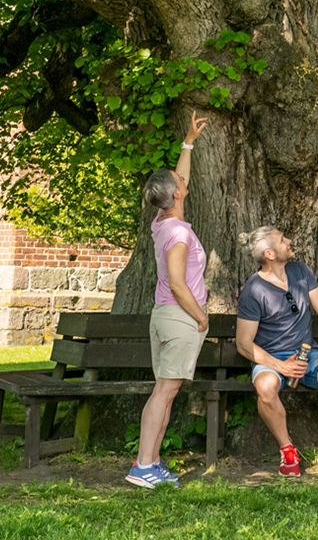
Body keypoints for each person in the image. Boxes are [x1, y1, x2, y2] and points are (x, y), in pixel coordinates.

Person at [235, 226, 318, 478]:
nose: (290, 241)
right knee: (265, 387)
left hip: (308, 356)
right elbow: (243, 344)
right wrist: (281, 366)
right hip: (271, 359)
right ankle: (287, 450)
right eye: (283, 240)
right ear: (270, 254)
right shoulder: (254, 290)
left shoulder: (301, 272)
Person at [125, 111, 210, 489]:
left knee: (166, 390)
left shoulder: (163, 221)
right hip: (179, 317)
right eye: (179, 182)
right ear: (175, 195)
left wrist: (188, 142)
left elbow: (181, 179)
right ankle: (143, 465)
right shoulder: (176, 233)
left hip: (166, 318)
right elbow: (178, 284)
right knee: (164, 391)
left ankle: (152, 462)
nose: (183, 181)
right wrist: (201, 317)